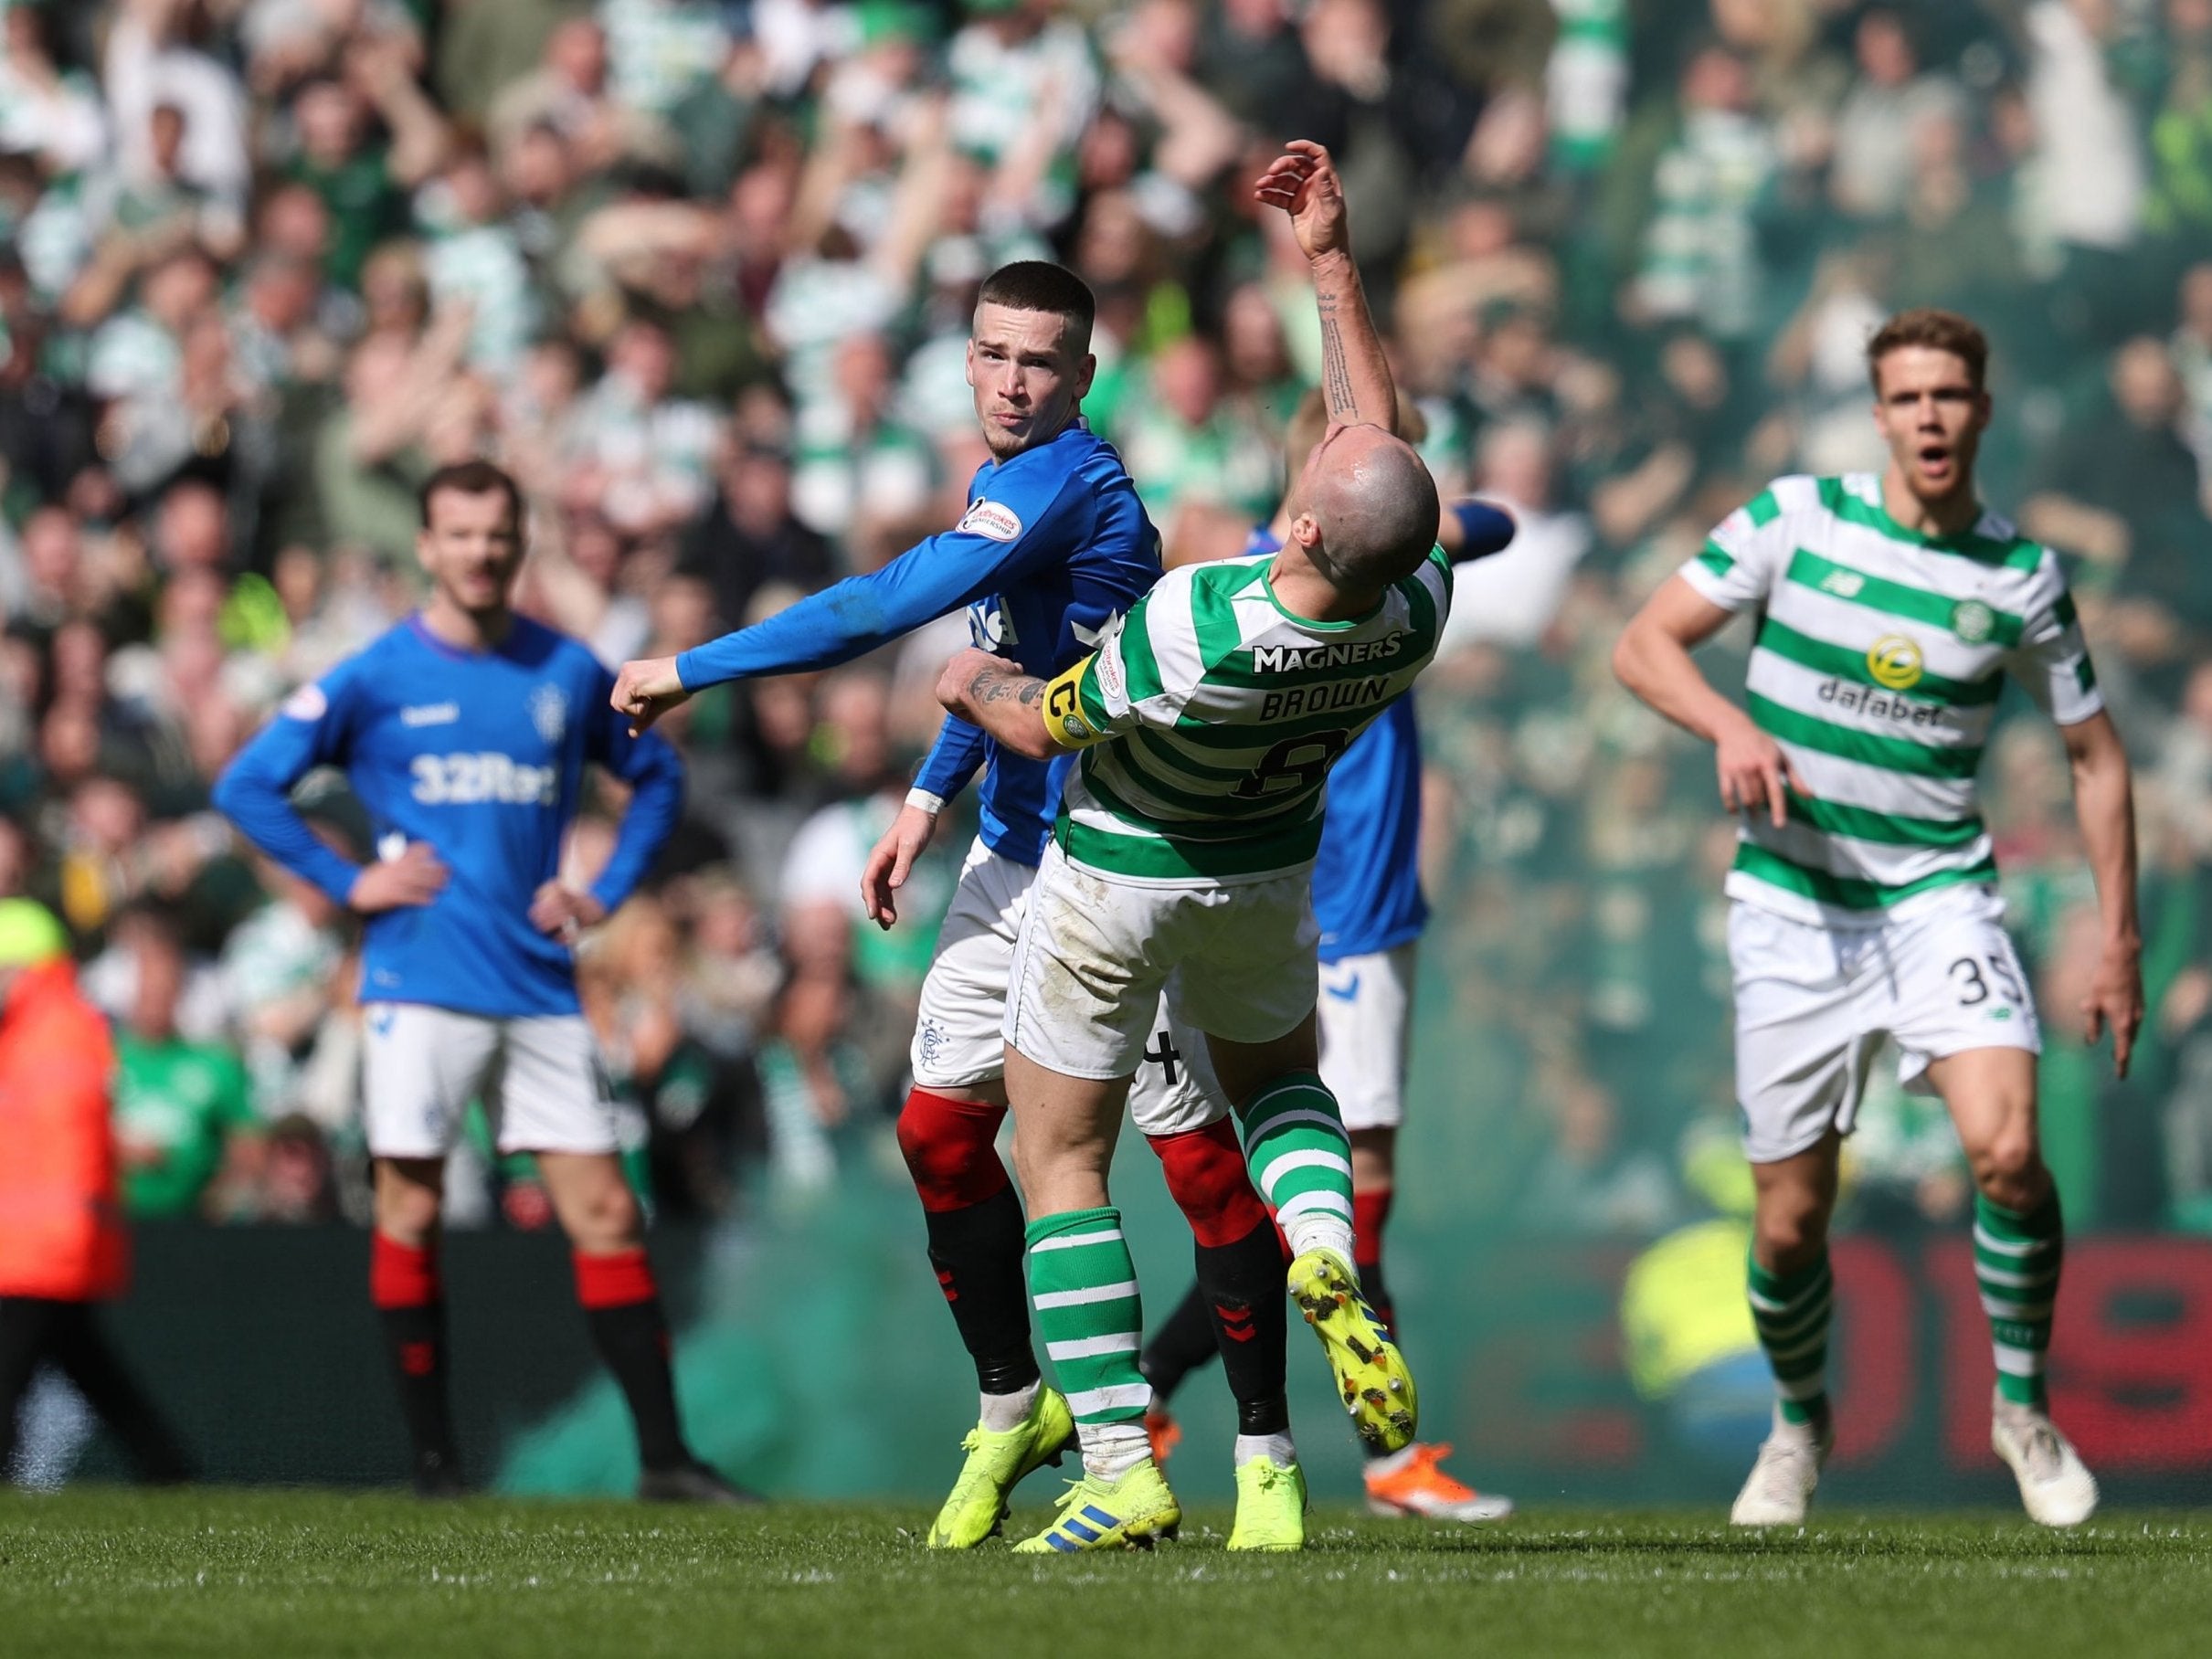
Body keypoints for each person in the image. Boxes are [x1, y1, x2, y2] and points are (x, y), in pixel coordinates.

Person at [609, 254, 1280, 1550]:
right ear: (967, 361)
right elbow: (1010, 664)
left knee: (1185, 1168)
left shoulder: (1060, 481)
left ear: (1083, 378)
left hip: (1110, 868)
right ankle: (1014, 1400)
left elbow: (884, 610)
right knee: (936, 1138)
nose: (1014, 380)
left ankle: (1257, 1456)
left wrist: (690, 667)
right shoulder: (1004, 483)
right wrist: (925, 804)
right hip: (1007, 855)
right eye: (994, 354)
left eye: (1041, 361)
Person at [936, 293, 1455, 1553]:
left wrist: (966, 678)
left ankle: (1118, 1458)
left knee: (1058, 1162)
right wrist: (1328, 263)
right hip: (1267, 884)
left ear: (1307, 518)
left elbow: (1041, 720)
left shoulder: (1196, 620)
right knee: (1282, 1093)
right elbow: (1380, 457)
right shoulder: (1413, 615)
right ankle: (1323, 1248)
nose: (1326, 440)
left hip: (1115, 887)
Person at [1611, 307, 2143, 1528]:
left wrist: (2114, 937)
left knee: (2007, 1152)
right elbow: (1644, 646)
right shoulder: (1795, 520)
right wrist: (1733, 726)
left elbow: (2096, 756)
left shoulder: (2019, 577)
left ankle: (2021, 1410)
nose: (1929, 418)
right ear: (1878, 412)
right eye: (1906, 398)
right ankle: (1798, 1425)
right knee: (1791, 1224)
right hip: (1792, 910)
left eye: (1949, 396)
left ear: (1982, 411)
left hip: (1937, 899)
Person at [215, 460, 740, 1504]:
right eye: (460, 534)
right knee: (408, 1208)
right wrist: (349, 879)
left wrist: (606, 891)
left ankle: (666, 1460)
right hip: (417, 979)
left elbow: (656, 776)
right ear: (426, 546)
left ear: (521, 541)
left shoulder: (564, 670)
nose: (481, 552)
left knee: (605, 1211)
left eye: (497, 534)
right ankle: (436, 1467)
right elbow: (248, 783)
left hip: (541, 981)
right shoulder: (375, 674)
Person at [1131, 382, 1520, 1525]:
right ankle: (1369, 1452)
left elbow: (1487, 524)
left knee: (1334, 1196)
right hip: (1338, 915)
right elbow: (1489, 523)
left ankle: (1182, 1394)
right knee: (1345, 1204)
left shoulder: (1304, 573)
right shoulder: (1347, 580)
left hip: (1343, 914)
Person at [0, 900, 191, 1486]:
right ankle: (172, 1477)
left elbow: (57, 1140)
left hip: (41, 1243)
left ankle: (171, 1476)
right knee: (96, 1376)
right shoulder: (50, 1026)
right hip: (46, 1240)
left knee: (11, 1381)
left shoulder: (52, 1030)